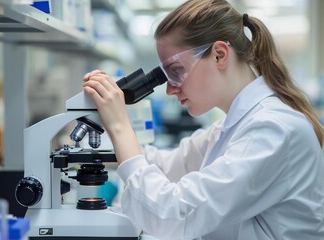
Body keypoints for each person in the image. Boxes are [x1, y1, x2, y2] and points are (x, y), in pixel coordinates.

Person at [83, 0, 324, 239]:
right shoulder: (233, 126)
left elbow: (175, 214)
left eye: (175, 71)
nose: (169, 89)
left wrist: (120, 126)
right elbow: (166, 165)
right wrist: (97, 143)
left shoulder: (273, 129)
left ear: (219, 55)